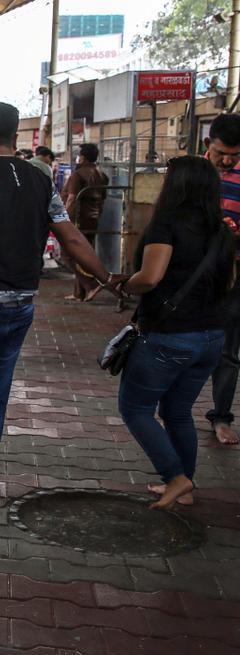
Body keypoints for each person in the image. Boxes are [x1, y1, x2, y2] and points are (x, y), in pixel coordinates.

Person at [0, 103, 117, 514]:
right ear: (16, 141)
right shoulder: (39, 179)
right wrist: (106, 279)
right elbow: (73, 239)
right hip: (21, 309)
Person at [116, 157, 233, 510]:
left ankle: (175, 476)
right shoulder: (223, 231)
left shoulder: (166, 225)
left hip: (169, 336)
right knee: (178, 412)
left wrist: (124, 285)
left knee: (135, 408)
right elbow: (227, 283)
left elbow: (151, 277)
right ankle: (186, 486)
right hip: (211, 337)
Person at [205, 114, 240, 445]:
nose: (227, 161)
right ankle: (171, 413)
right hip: (194, 276)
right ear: (208, 145)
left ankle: (221, 415)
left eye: (235, 154)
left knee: (229, 350)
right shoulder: (189, 174)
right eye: (221, 154)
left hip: (234, 276)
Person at [62, 143, 110, 301]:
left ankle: (90, 284)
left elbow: (71, 197)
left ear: (82, 157)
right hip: (93, 219)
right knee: (85, 253)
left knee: (69, 255)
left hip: (77, 219)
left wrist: (62, 215)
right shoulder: (102, 175)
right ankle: (79, 293)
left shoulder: (78, 175)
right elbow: (103, 199)